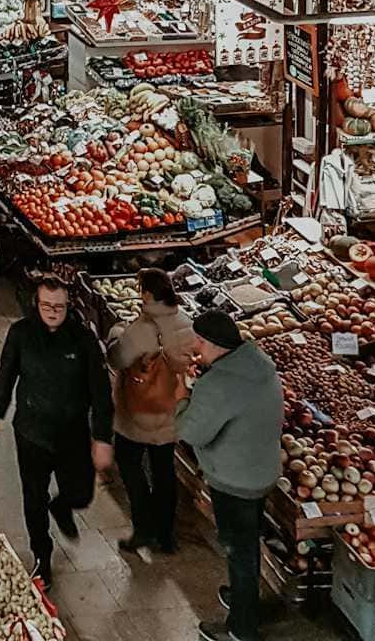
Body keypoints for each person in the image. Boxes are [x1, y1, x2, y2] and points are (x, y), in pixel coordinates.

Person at [0, 275, 114, 588]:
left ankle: (64, 504)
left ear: (68, 307)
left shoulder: (83, 341)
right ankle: (42, 555)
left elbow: (100, 393)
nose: (53, 311)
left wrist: (102, 437)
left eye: (59, 306)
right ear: (36, 304)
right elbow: (6, 374)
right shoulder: (21, 334)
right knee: (34, 498)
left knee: (82, 491)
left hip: (72, 434)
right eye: (47, 305)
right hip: (32, 433)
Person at [176, 309, 284, 641]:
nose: (195, 347)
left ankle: (241, 628)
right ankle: (244, 598)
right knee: (248, 543)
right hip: (263, 472)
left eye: (198, 341)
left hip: (235, 481)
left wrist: (182, 397)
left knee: (239, 550)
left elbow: (191, 432)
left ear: (210, 343)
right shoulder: (259, 361)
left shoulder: (219, 383)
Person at [107, 267, 195, 557]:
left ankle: (144, 528)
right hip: (170, 410)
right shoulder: (185, 320)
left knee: (129, 464)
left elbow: (117, 357)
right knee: (164, 471)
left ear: (147, 293)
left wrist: (116, 333)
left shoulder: (143, 328)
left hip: (139, 413)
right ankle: (167, 536)